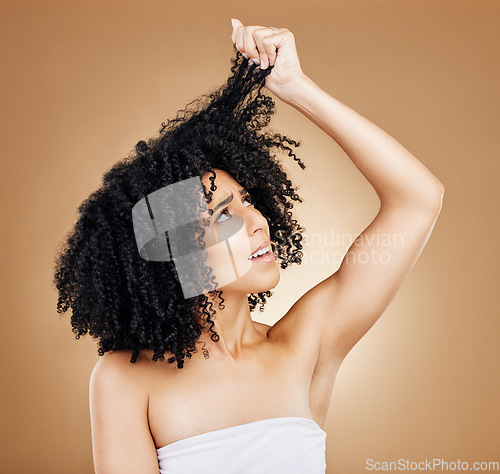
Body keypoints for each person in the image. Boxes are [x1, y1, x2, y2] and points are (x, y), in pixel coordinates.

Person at [53, 18, 445, 474]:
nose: (258, 220)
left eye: (248, 201)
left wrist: (295, 87)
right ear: (175, 258)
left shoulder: (305, 344)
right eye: (222, 214)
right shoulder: (125, 380)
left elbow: (418, 200)